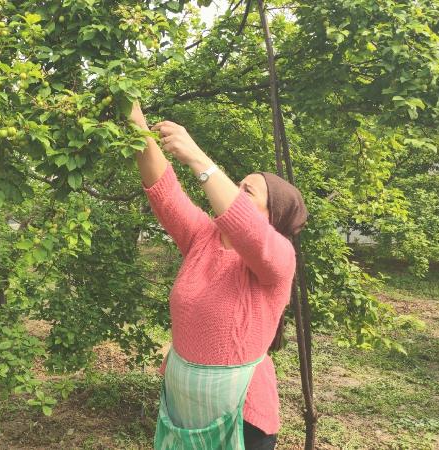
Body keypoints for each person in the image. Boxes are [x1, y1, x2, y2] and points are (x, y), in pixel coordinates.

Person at [130, 103, 307, 449]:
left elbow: (246, 227)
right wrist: (135, 119)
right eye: (236, 186)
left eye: (247, 191)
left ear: (271, 217)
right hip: (181, 411)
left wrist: (197, 157)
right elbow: (163, 189)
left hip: (242, 421)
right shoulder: (203, 238)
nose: (235, 193)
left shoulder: (279, 258)